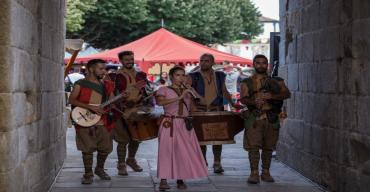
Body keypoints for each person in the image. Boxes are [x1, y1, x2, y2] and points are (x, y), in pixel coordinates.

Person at [239, 54, 290, 184]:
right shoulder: (247, 82)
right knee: (253, 147)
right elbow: (243, 99)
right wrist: (254, 101)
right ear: (254, 64)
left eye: (263, 63)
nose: (261, 65)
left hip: (271, 117)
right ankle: (254, 173)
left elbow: (287, 93)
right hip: (254, 118)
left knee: (269, 147)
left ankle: (266, 172)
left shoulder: (277, 81)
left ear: (267, 65)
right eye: (258, 63)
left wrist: (271, 95)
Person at [155, 66, 208, 191]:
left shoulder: (188, 90)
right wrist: (179, 97)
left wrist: (193, 92)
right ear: (172, 76)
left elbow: (202, 102)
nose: (181, 77)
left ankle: (180, 179)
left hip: (184, 124)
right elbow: (160, 103)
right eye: (178, 75)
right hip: (169, 123)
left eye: (183, 75)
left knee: (183, 152)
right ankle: (163, 180)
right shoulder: (163, 89)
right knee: (166, 151)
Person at [188, 53, 241, 173]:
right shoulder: (193, 75)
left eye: (206, 61)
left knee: (218, 137)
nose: (203, 63)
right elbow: (188, 91)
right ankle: (203, 162)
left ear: (212, 62)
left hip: (216, 108)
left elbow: (224, 91)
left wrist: (233, 104)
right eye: (201, 60)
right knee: (201, 138)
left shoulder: (220, 75)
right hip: (200, 110)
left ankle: (217, 163)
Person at [68, 59, 116, 184]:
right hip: (85, 120)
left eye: (104, 68)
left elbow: (111, 102)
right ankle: (88, 173)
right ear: (91, 69)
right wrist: (90, 107)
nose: (104, 71)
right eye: (101, 68)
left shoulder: (106, 85)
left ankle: (99, 169)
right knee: (87, 149)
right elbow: (72, 100)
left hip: (103, 121)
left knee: (105, 148)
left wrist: (119, 99)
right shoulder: (80, 84)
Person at [109, 51, 151, 176]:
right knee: (123, 140)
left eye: (131, 59)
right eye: (126, 59)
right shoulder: (114, 76)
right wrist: (122, 102)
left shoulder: (141, 75)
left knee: (136, 138)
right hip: (120, 111)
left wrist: (143, 99)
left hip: (137, 110)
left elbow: (146, 92)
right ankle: (121, 164)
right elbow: (111, 95)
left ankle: (131, 160)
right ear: (121, 61)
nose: (130, 61)